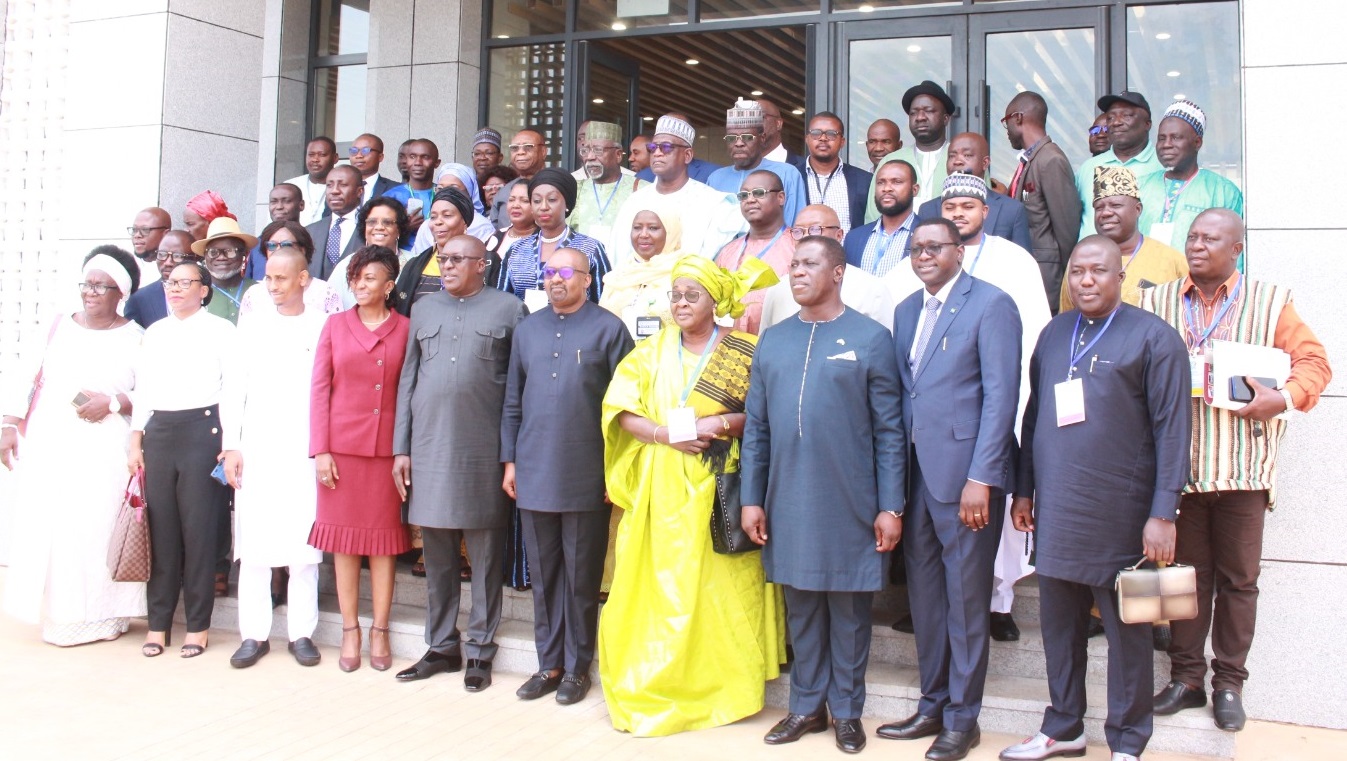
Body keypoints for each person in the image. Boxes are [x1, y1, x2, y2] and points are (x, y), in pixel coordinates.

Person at [1001, 236, 1191, 761]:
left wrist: (1163, 512)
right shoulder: (1056, 333)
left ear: (1120, 276)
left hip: (1125, 512)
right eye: (1077, 271)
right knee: (1060, 625)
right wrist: (1024, 489)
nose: (1086, 280)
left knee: (1128, 629)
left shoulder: (1156, 339)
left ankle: (1128, 741)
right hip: (1059, 507)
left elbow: (1174, 433)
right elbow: (1035, 417)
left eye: (1098, 272)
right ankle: (1064, 728)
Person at [1141, 209, 1331, 733]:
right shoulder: (1154, 301)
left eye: (1212, 238)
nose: (1198, 245)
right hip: (1175, 471)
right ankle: (1185, 679)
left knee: (1239, 582)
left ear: (1237, 249)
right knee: (1179, 580)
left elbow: (1314, 363)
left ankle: (1229, 683)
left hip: (1242, 468)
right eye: (1193, 236)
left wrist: (1284, 397)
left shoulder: (1270, 302)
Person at [599, 254, 782, 736]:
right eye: (675, 295)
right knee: (663, 587)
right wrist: (664, 434)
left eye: (691, 295)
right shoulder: (649, 351)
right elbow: (620, 410)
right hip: (663, 490)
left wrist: (716, 423)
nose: (680, 303)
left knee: (720, 589)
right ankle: (660, 679)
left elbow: (762, 412)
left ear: (715, 302)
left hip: (722, 486)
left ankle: (725, 685)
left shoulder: (746, 349)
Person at [741, 235, 904, 754]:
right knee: (803, 607)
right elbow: (757, 430)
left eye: (811, 264)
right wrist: (751, 497)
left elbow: (890, 433)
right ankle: (806, 707)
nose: (798, 273)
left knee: (850, 611)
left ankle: (848, 712)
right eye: (795, 265)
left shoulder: (872, 337)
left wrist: (890, 505)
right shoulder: (774, 339)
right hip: (787, 496)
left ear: (838, 272)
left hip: (853, 500)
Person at [874, 217, 1021, 761]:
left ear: (959, 251)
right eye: (916, 249)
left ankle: (964, 718)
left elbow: (1001, 398)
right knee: (927, 599)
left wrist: (982, 477)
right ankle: (931, 703)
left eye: (935, 247)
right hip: (914, 477)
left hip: (965, 480)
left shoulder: (991, 304)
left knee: (964, 600)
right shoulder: (907, 308)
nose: (924, 256)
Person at [392, 235, 528, 691]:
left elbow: (518, 391)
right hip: (429, 448)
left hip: (483, 450)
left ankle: (480, 651)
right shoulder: (424, 309)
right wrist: (401, 448)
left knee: (486, 555)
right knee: (438, 554)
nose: (445, 266)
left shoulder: (509, 309)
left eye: (455, 260)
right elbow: (407, 381)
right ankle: (441, 646)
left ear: (482, 264)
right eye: (441, 259)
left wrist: (511, 455)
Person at [502, 248, 634, 705]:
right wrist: (510, 461)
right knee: (545, 575)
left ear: (586, 277)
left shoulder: (608, 328)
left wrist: (614, 469)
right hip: (534, 468)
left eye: (564, 271)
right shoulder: (528, 329)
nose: (555, 279)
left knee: (581, 578)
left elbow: (627, 406)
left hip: (587, 473)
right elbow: (512, 401)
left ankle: (578, 668)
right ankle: (548, 664)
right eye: (549, 271)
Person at [2, 248, 146, 646]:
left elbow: (149, 393)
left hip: (105, 450)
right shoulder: (56, 327)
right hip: (51, 444)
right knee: (56, 528)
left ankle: (105, 615)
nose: (92, 292)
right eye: (87, 283)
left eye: (102, 285)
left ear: (122, 293)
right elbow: (25, 375)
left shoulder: (136, 338)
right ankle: (62, 618)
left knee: (96, 529)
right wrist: (8, 424)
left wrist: (113, 402)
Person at [220, 243, 327, 669]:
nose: (273, 286)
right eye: (268, 278)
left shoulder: (324, 326)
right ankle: (254, 635)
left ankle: (302, 633)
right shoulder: (252, 325)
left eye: (282, 278)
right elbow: (234, 389)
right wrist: (232, 444)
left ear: (303, 279)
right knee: (256, 545)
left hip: (304, 450)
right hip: (258, 447)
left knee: (305, 548)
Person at [309, 244, 412, 672]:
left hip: (387, 454)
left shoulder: (406, 328)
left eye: (370, 278)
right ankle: (350, 630)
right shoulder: (334, 326)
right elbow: (318, 389)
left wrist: (404, 450)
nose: (361, 284)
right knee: (345, 546)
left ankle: (380, 629)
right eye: (356, 277)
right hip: (341, 455)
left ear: (389, 286)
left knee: (384, 546)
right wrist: (320, 450)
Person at [127, 258, 235, 658]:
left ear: (203, 290)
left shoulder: (222, 331)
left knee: (199, 532)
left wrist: (232, 441)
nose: (174, 289)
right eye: (170, 282)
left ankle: (198, 626)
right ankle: (158, 625)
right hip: (159, 432)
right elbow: (143, 390)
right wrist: (135, 438)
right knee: (163, 531)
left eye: (184, 283)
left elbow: (233, 388)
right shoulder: (155, 332)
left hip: (203, 432)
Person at [612, 114, 743, 261]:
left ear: (687, 155)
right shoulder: (635, 201)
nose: (657, 153)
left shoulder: (712, 203)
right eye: (653, 147)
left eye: (666, 147)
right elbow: (619, 258)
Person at [1061, 166, 1187, 312]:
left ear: (1138, 209)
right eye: (1099, 207)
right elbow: (1067, 316)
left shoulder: (1172, 261)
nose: (1106, 213)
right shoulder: (1080, 262)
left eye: (1116, 205)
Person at [1001, 92, 1083, 311]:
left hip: (1049, 276)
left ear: (1017, 118)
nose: (1006, 131)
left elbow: (1067, 228)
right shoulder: (1031, 160)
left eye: (1005, 122)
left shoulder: (1051, 159)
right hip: (1030, 270)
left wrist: (1069, 279)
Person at [759, 205, 895, 335]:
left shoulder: (872, 289)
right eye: (799, 231)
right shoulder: (777, 290)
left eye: (816, 229)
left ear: (839, 235)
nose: (806, 237)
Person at [1137, 100, 1245, 253]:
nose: (1166, 144)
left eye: (1175, 137)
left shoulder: (1223, 191)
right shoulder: (1138, 187)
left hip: (1197, 277)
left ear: (1197, 142)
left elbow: (1233, 255)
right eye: (1162, 138)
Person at [498, 168, 612, 307]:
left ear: (567, 204)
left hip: (576, 327)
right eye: (537, 200)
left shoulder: (590, 248)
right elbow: (503, 303)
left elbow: (603, 303)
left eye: (552, 199)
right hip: (525, 327)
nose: (543, 207)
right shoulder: (516, 249)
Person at [916, 133, 1032, 252]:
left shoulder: (1012, 209)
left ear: (985, 163)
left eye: (967, 155)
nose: (957, 161)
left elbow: (1023, 262)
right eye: (951, 156)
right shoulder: (927, 210)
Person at [714, 170, 796, 335]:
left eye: (759, 193)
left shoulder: (798, 246)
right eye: (743, 195)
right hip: (730, 348)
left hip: (781, 343)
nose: (750, 200)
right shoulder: (728, 251)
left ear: (781, 197)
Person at [708, 99, 809, 230]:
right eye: (731, 138)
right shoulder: (715, 178)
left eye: (747, 137)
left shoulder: (787, 173)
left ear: (761, 138)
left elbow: (796, 228)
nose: (739, 143)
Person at [1075, 91, 1164, 238]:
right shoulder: (1087, 168)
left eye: (1127, 115)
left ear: (1147, 124)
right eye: (1110, 117)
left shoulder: (1163, 166)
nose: (1116, 122)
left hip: (1147, 259)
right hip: (1093, 259)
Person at [867, 81, 956, 217]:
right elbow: (873, 217)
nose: (920, 117)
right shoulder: (891, 161)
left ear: (945, 119)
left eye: (928, 111)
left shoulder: (963, 158)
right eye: (913, 113)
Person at [599, 202, 684, 338]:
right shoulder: (619, 275)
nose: (643, 234)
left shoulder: (685, 273)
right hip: (620, 357)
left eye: (653, 228)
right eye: (637, 228)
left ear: (670, 232)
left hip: (668, 356)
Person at [787, 112, 873, 233]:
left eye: (831, 134)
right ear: (807, 139)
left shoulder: (865, 180)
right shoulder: (790, 177)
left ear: (842, 141)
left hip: (848, 252)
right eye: (816, 133)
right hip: (801, 251)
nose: (823, 138)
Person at [396, 187, 476, 317]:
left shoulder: (482, 261)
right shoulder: (415, 265)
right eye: (433, 217)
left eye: (447, 215)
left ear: (464, 222)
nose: (438, 222)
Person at [239, 220, 343, 320]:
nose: (278, 250)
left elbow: (336, 333)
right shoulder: (254, 294)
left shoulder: (325, 293)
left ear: (303, 249)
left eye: (287, 245)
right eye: (272, 245)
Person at [845, 159, 920, 277]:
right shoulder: (853, 238)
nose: (886, 188)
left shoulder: (928, 235)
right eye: (881, 182)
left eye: (897, 182)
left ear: (914, 190)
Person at [571, 121, 641, 244]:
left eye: (598, 150)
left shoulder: (641, 189)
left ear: (618, 155)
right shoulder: (574, 189)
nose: (590, 157)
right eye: (585, 151)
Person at [124, 229, 199, 330]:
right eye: (162, 254)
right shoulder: (138, 299)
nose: (168, 262)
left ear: (194, 259)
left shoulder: (207, 293)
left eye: (177, 256)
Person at [306, 164, 365, 281]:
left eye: (343, 185)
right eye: (329, 185)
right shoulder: (309, 231)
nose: (334, 191)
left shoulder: (372, 228)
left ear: (359, 191)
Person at [194, 217, 258, 325]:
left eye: (230, 251)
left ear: (245, 254)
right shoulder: (196, 294)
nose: (221, 257)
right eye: (213, 252)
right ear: (205, 256)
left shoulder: (259, 291)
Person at [244, 183, 307, 281]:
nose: (279, 207)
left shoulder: (312, 239)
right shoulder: (258, 244)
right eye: (274, 202)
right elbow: (249, 282)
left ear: (301, 205)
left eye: (286, 201)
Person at [488, 128, 549, 228]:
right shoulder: (503, 192)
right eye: (515, 148)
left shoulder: (556, 187)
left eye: (528, 147)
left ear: (543, 151)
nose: (520, 152)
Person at [384, 138, 441, 237]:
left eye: (425, 157)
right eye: (412, 157)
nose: (418, 162)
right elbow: (379, 233)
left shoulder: (444, 193)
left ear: (437, 163)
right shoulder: (390, 197)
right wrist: (403, 228)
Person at [485, 180, 536, 291]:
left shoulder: (542, 239)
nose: (515, 205)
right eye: (511, 200)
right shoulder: (496, 237)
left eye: (525, 201)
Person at [283, 136, 338, 226]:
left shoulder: (342, 188)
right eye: (311, 155)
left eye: (322, 155)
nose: (315, 159)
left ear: (335, 158)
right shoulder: (289, 186)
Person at [349, 133, 398, 206]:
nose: (358, 156)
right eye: (354, 151)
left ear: (380, 157)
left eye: (365, 150)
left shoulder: (396, 189)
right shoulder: (338, 188)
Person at [128, 207, 172, 286]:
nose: (137, 235)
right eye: (134, 230)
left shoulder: (175, 267)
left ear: (166, 234)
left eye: (145, 230)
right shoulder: (125, 265)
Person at [757, 98, 798, 164]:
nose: (752, 125)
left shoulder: (803, 169)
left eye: (759, 117)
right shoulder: (738, 170)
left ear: (778, 124)